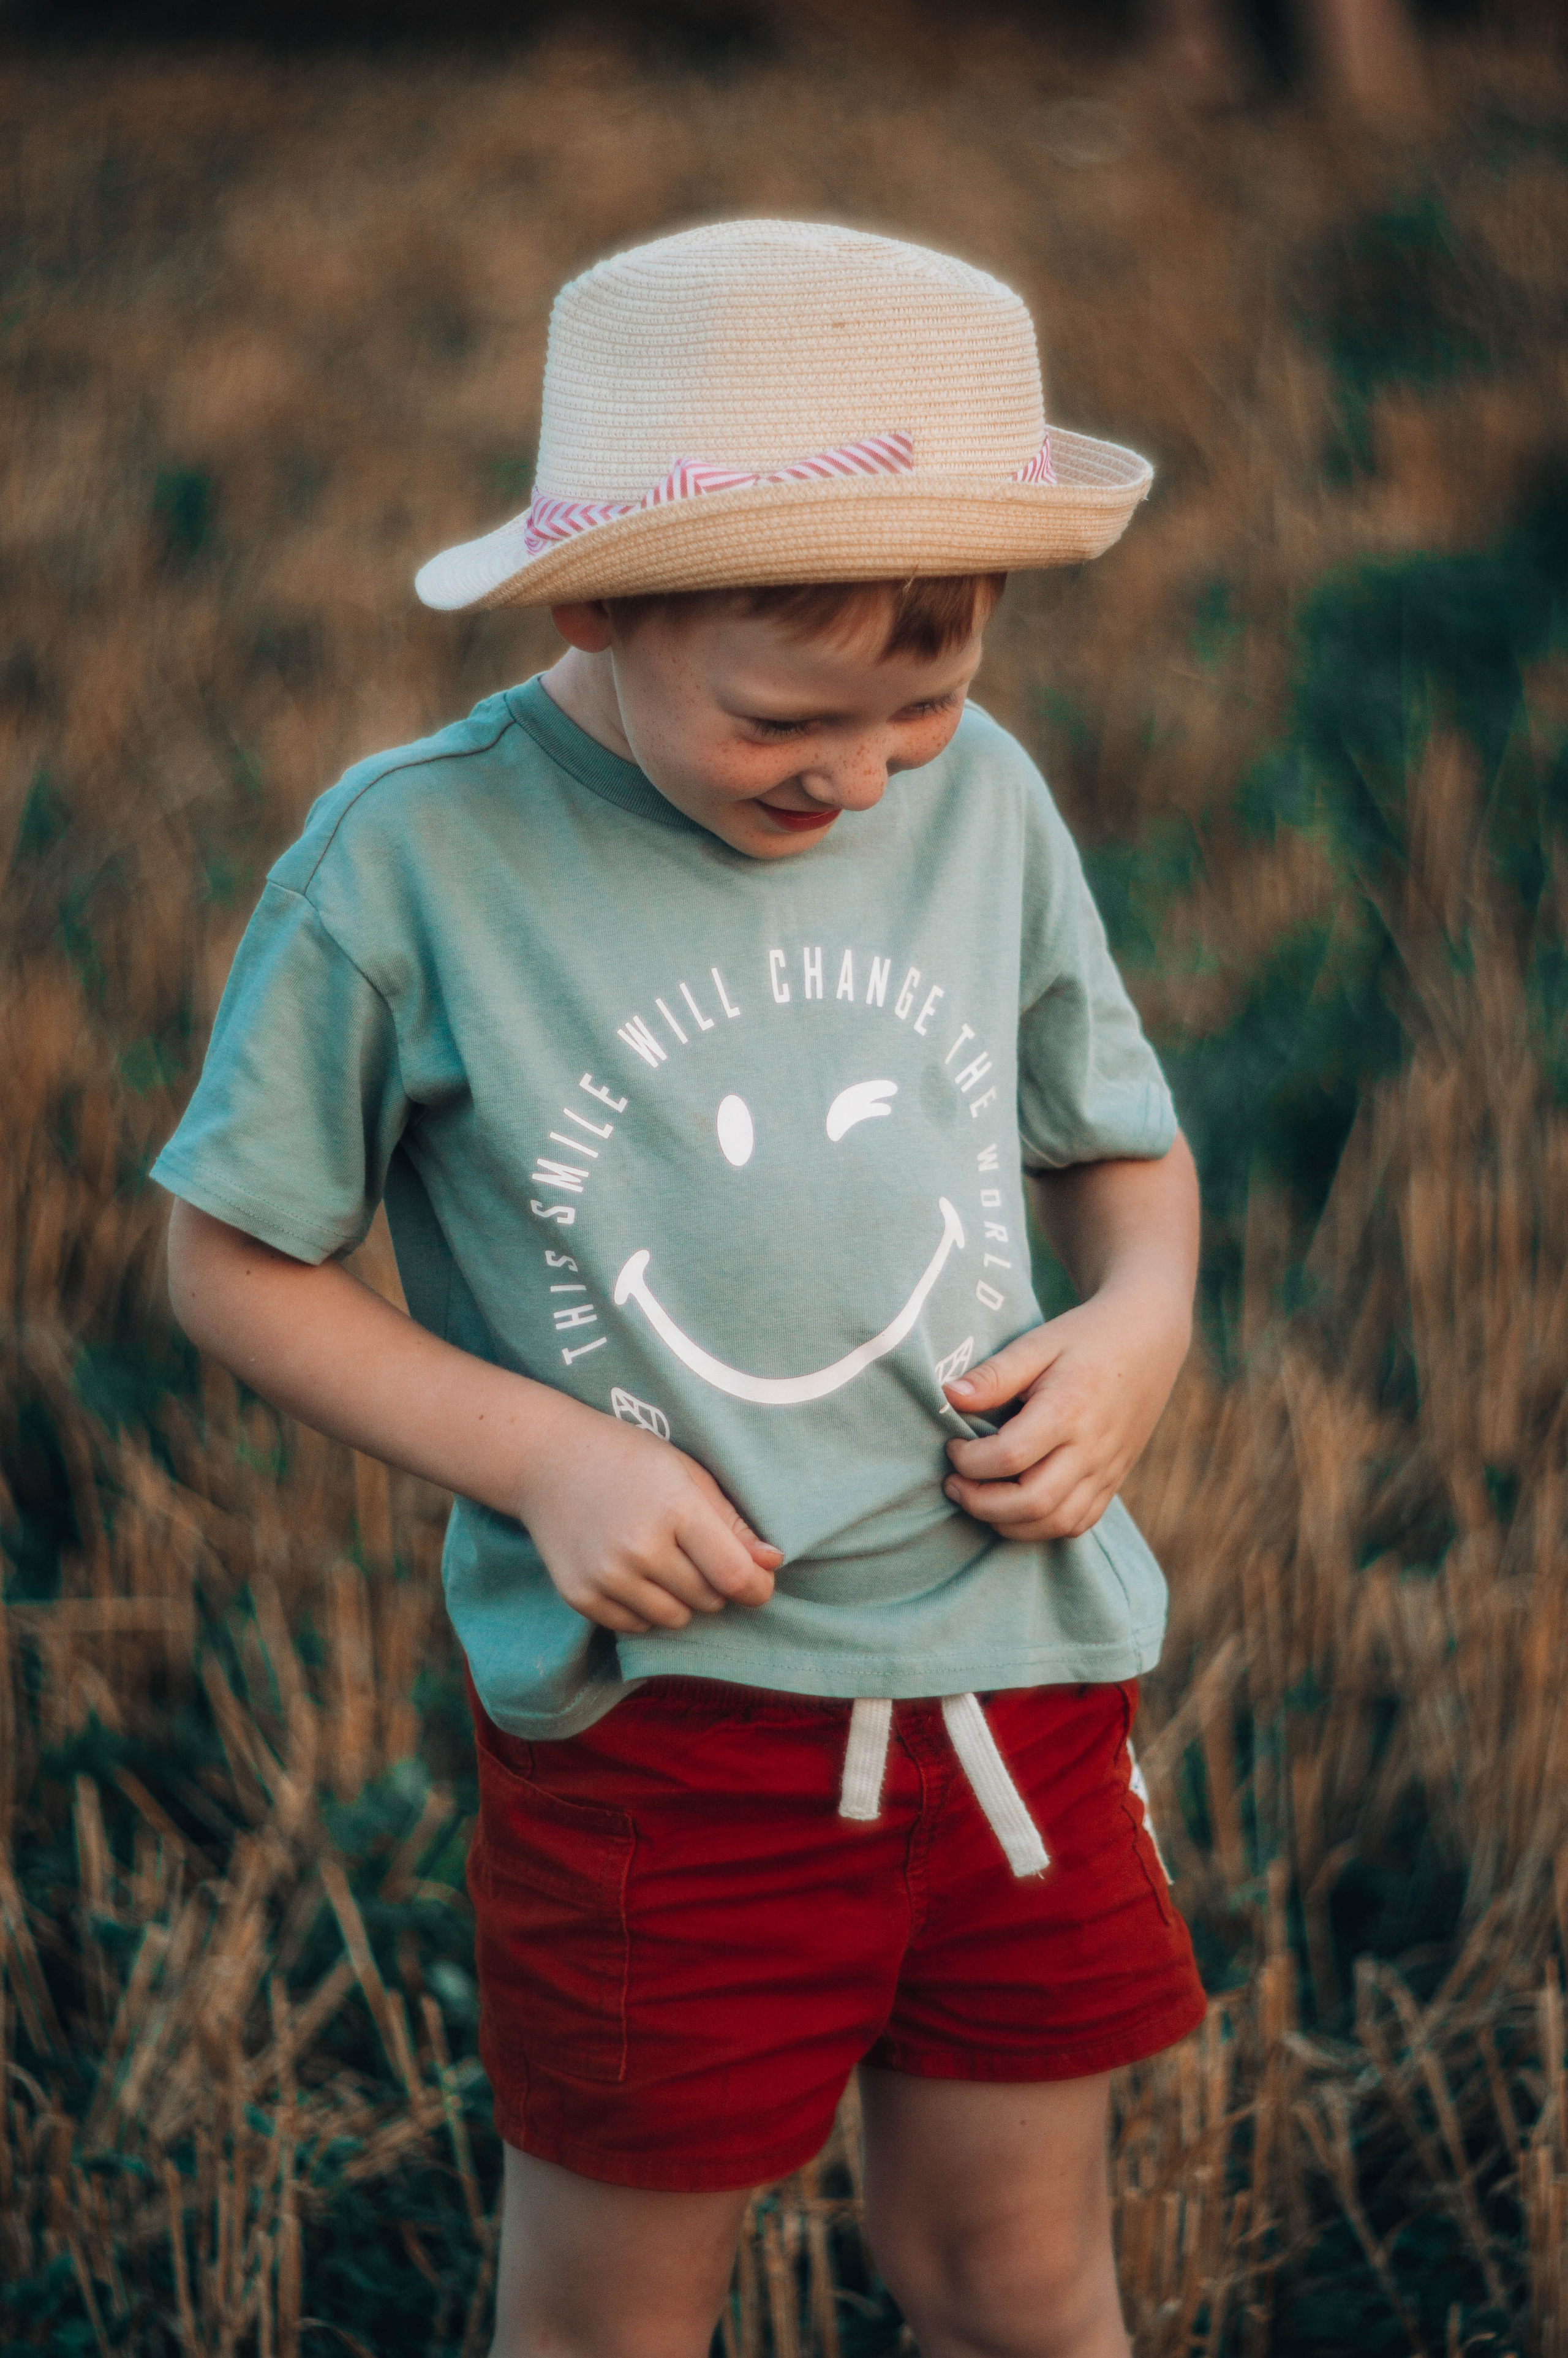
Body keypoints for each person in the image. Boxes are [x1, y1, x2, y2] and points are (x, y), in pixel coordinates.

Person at [157, 220, 1206, 2358]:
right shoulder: (413, 862)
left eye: (929, 699)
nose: (860, 778)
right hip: (673, 1747)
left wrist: (1138, 1327)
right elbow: (229, 1257)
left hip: (1021, 1690)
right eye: (788, 719)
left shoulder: (983, 802)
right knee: (611, 2325)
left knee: (1019, 2277)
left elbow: (1125, 1145)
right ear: (602, 605)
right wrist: (542, 1455)